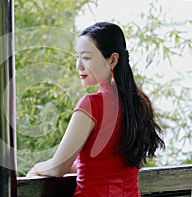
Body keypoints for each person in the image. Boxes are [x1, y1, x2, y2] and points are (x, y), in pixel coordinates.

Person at [26, 22, 165, 196]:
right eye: (78, 57)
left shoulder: (92, 105)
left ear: (113, 59)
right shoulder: (138, 103)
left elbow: (57, 169)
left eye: (86, 57)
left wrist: (36, 168)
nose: (79, 66)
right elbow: (107, 163)